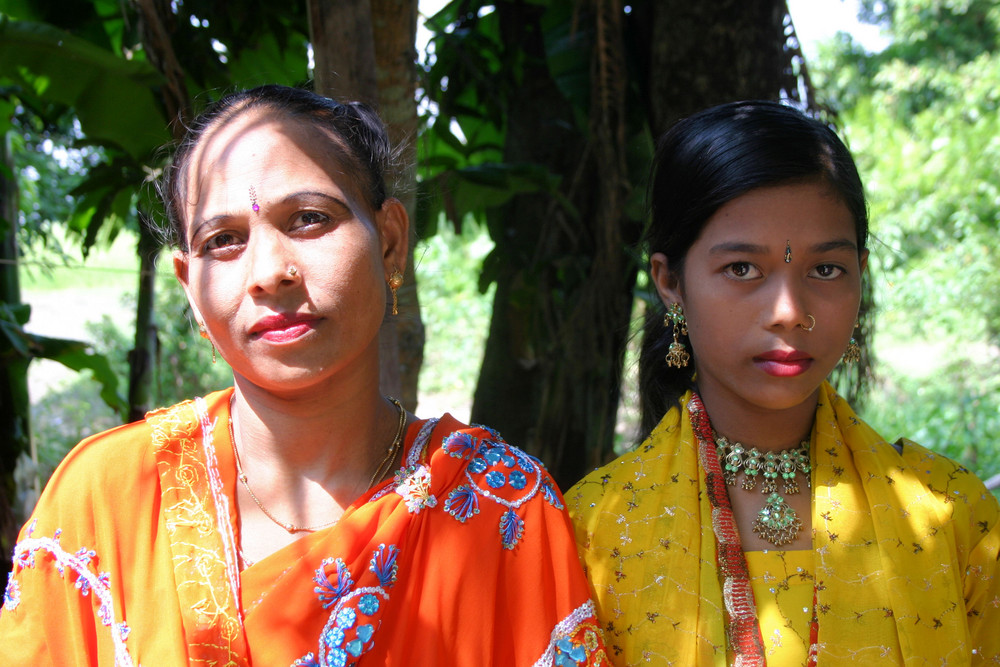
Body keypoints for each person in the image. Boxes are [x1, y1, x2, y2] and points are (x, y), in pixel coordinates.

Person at [0, 85, 608, 666]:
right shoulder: (106, 498)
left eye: (309, 219)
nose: (269, 271)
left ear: (391, 243)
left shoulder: (495, 508)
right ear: (190, 288)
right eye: (224, 240)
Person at [567, 100, 1000, 665]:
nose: (789, 311)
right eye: (743, 269)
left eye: (825, 270)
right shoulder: (593, 531)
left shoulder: (951, 517)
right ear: (670, 282)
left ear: (860, 277)